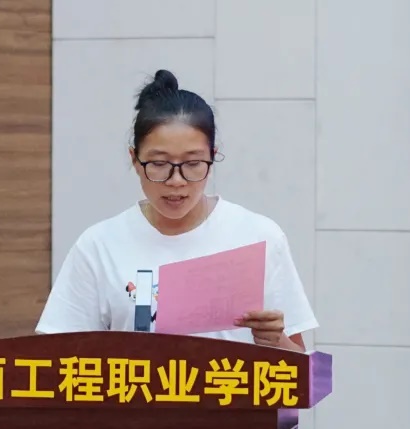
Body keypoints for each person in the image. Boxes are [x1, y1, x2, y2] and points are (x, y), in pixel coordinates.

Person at [36, 69, 318, 348]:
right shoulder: (99, 246)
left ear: (213, 156)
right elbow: (57, 356)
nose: (176, 181)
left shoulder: (259, 237)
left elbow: (304, 369)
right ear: (134, 159)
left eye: (193, 163)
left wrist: (276, 340)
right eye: (159, 164)